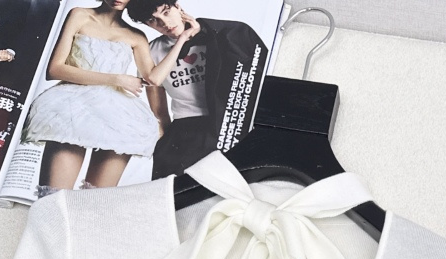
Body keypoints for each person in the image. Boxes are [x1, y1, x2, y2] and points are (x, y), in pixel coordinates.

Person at [20, 0, 180, 190]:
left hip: (116, 114)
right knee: (53, 196)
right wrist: (116, 79)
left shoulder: (136, 36)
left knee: (95, 200)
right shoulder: (79, 15)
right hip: (71, 108)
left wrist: (182, 39)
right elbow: (55, 69)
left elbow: (153, 79)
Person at [126, 0, 264, 178]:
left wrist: (203, 29)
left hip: (228, 120)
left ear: (178, 7)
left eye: (166, 12)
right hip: (186, 126)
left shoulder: (217, 35)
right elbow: (159, 111)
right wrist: (166, 144)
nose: (164, 23)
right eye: (153, 20)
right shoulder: (152, 52)